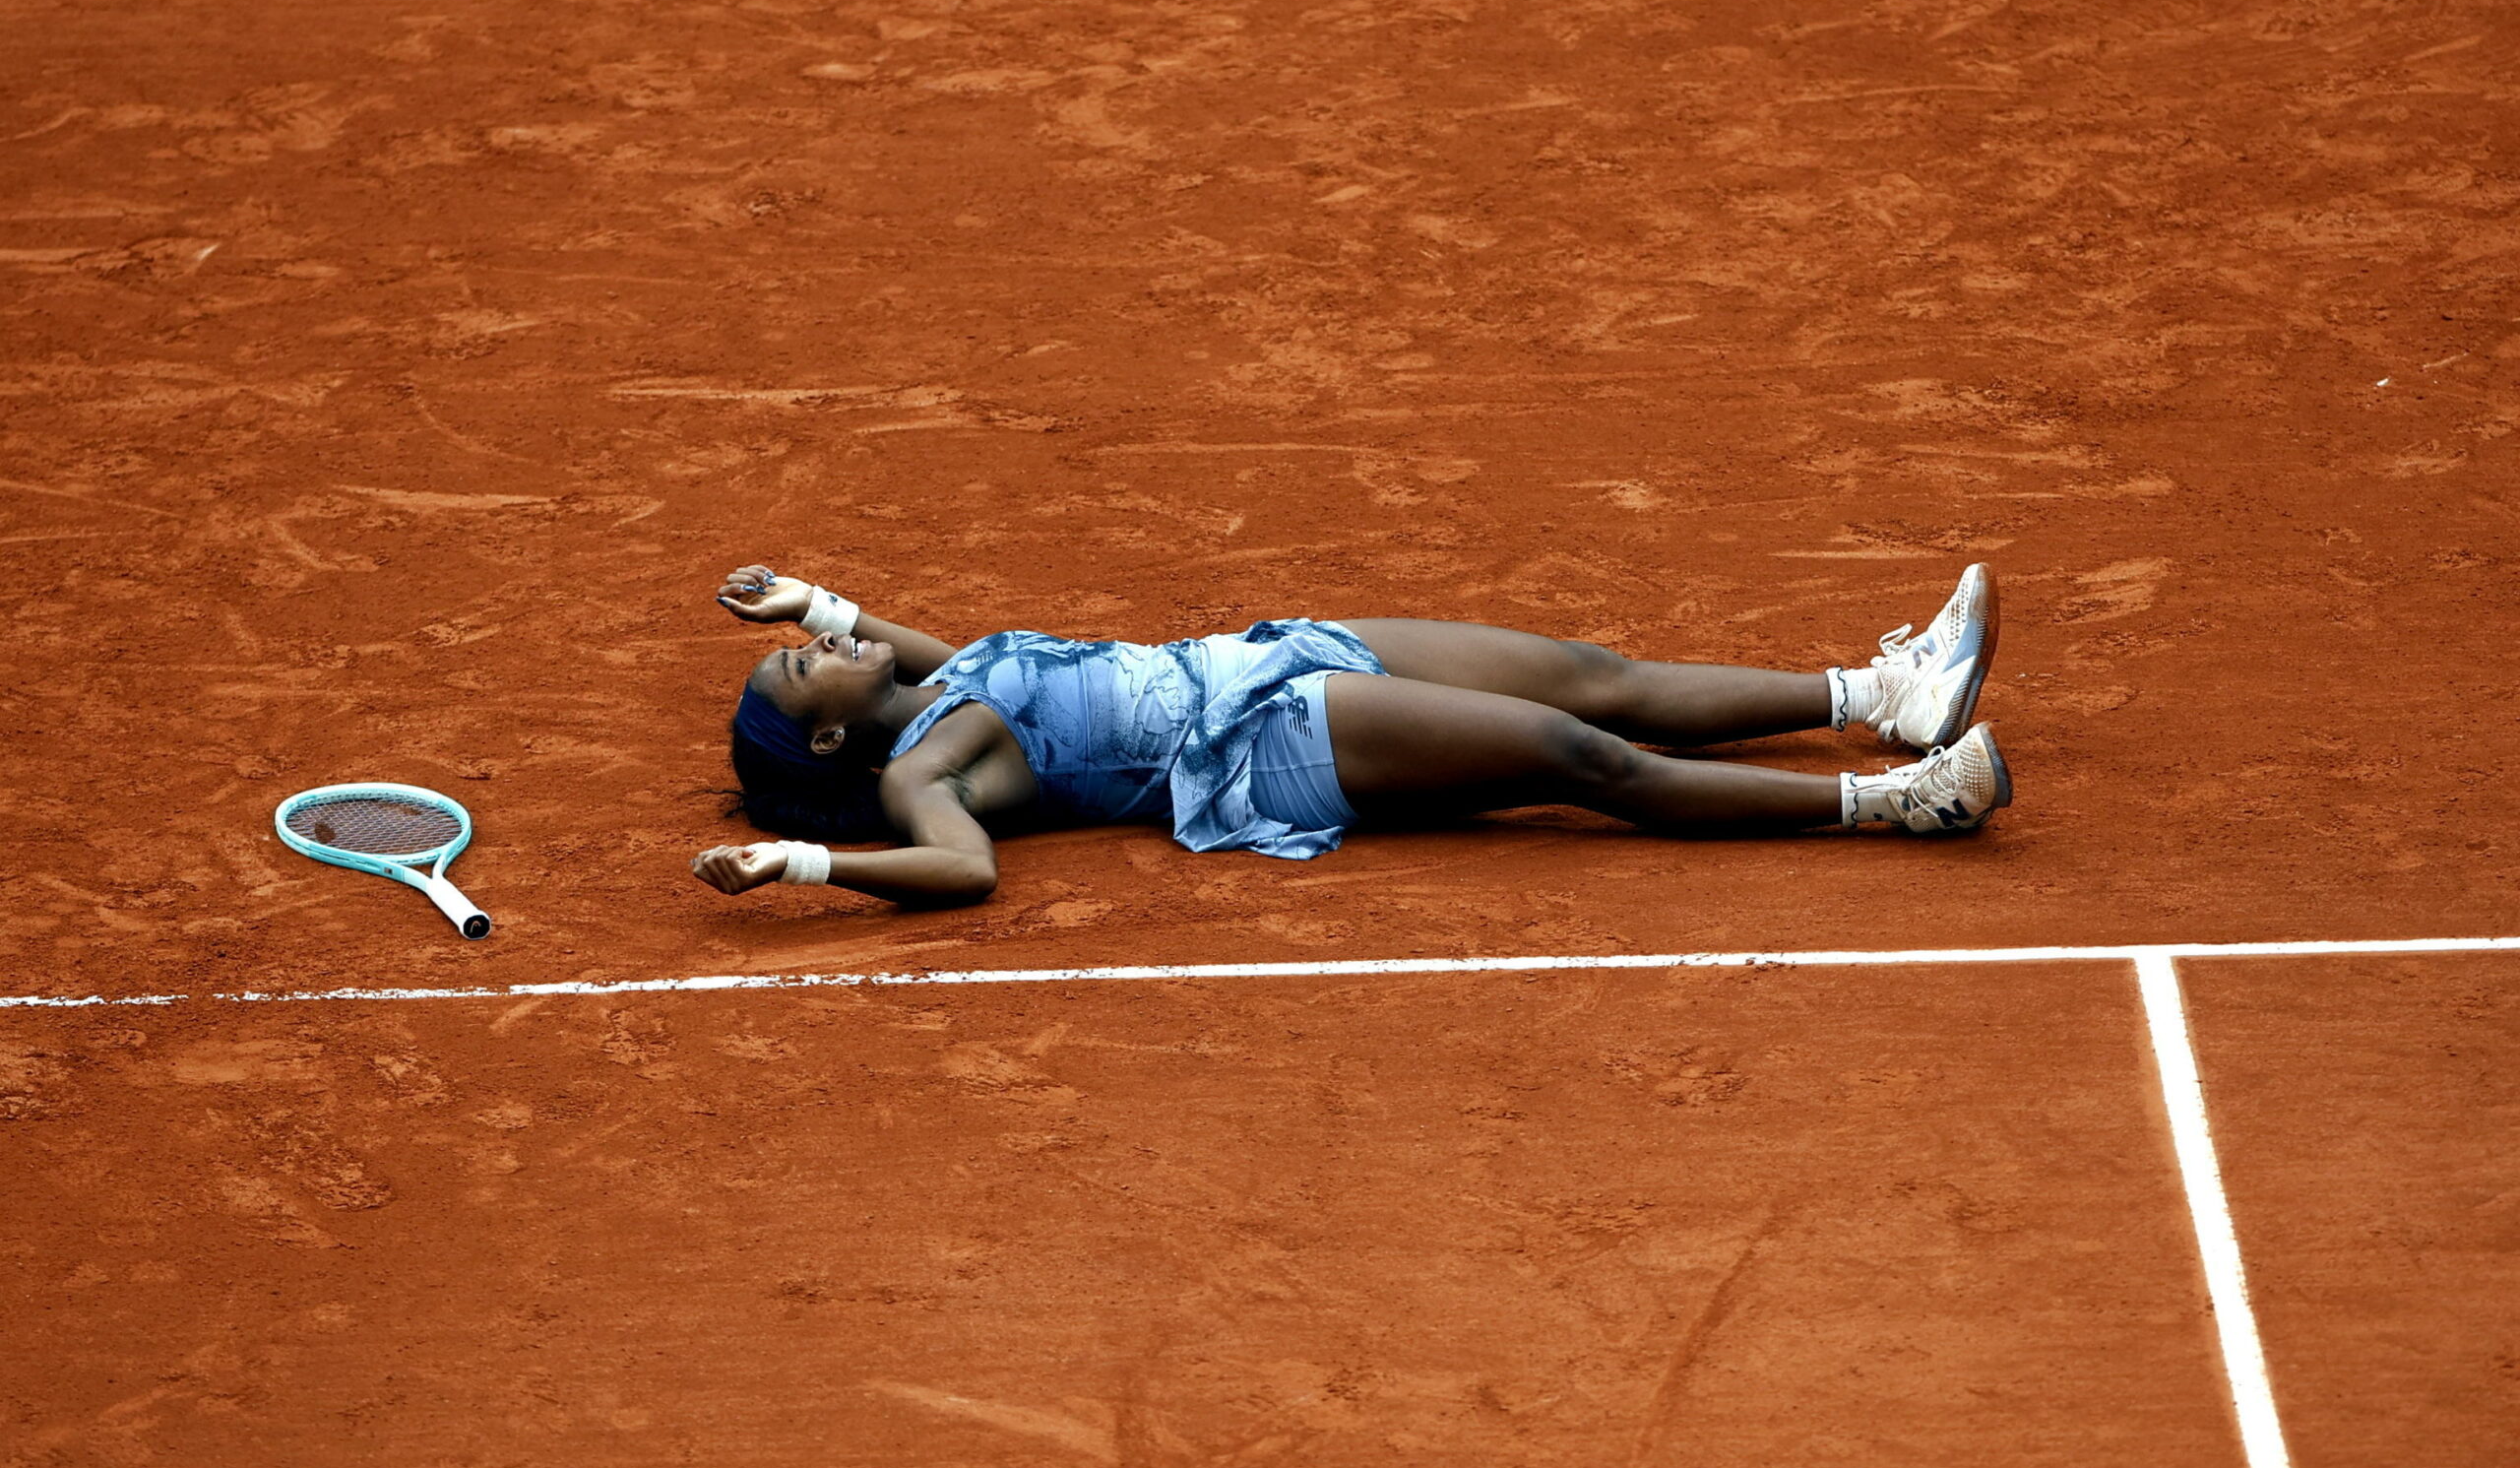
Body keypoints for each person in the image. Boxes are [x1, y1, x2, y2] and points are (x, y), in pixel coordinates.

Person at [689, 565, 2009, 906]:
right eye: (805, 668)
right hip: (1262, 744)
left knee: (1590, 677)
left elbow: (925, 651)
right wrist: (800, 864)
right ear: (831, 745)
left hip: (1266, 653)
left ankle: (1878, 696)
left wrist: (816, 603)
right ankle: (1902, 804)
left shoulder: (930, 689)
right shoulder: (929, 772)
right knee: (1577, 756)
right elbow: (963, 869)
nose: (824, 645)